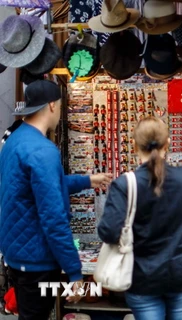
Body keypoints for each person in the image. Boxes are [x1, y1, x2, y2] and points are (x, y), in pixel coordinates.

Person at [0, 80, 112, 320]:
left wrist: (87, 180)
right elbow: (54, 218)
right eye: (60, 107)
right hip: (37, 260)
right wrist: (74, 273)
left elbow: (35, 188)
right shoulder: (43, 150)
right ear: (52, 105)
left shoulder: (15, 141)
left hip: (17, 254)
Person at [97, 117, 182, 320]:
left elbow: (109, 231)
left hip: (142, 276)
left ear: (134, 145)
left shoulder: (125, 184)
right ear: (167, 143)